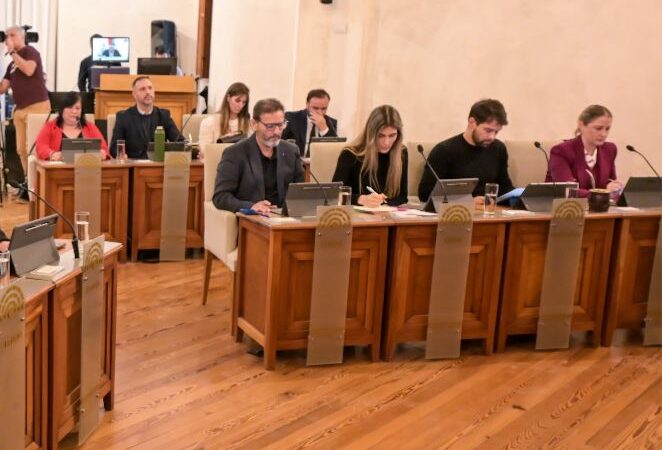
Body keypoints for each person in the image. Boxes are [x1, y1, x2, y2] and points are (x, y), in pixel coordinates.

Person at [213, 98, 304, 213]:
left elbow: (300, 192)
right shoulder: (235, 153)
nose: (277, 132)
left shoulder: (291, 151)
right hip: (253, 218)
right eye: (270, 126)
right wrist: (251, 206)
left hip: (284, 217)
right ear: (254, 124)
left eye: (280, 125)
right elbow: (220, 197)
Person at [418, 98, 514, 206]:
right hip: (457, 212)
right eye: (488, 130)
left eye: (496, 132)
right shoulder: (444, 151)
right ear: (472, 122)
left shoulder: (499, 149)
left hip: (490, 212)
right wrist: (467, 201)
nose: (492, 137)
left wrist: (521, 197)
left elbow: (504, 187)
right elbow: (425, 194)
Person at [332, 105, 408, 207]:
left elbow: (402, 196)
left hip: (388, 213)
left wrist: (386, 203)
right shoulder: (350, 154)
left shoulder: (402, 153)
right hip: (356, 213)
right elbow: (334, 194)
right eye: (381, 135)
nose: (386, 142)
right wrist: (360, 199)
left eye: (392, 135)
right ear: (370, 134)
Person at [0, 25, 51, 172]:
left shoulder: (30, 51)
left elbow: (29, 70)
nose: (8, 39)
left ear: (22, 37)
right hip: (20, 110)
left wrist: (12, 52)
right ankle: (29, 181)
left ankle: (38, 182)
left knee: (33, 148)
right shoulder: (11, 65)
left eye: (12, 35)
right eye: (7, 36)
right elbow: (3, 88)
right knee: (21, 149)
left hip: (37, 106)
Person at [546, 105, 622, 197]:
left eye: (607, 129)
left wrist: (615, 188)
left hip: (598, 205)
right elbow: (568, 191)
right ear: (581, 125)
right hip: (566, 205)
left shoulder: (609, 149)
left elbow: (611, 182)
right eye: (598, 128)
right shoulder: (561, 151)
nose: (604, 134)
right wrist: (604, 193)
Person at [110, 76, 182, 159]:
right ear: (134, 94)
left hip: (157, 164)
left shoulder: (163, 115)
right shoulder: (123, 117)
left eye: (150, 88)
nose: (148, 92)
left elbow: (179, 142)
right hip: (133, 164)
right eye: (142, 89)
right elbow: (114, 148)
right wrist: (121, 155)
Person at [34, 91, 109, 161]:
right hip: (58, 168)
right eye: (70, 107)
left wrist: (102, 153)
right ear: (62, 109)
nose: (74, 111)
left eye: (77, 108)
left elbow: (104, 148)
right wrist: (52, 154)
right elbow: (40, 147)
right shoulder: (50, 126)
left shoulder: (90, 127)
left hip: (85, 167)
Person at [282, 89, 338, 156]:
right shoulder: (291, 118)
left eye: (324, 108)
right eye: (315, 108)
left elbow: (335, 150)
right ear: (307, 105)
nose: (320, 112)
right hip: (296, 161)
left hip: (319, 162)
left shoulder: (331, 122)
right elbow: (279, 143)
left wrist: (324, 129)